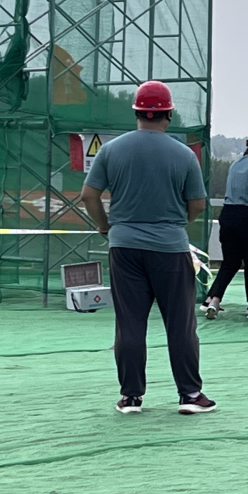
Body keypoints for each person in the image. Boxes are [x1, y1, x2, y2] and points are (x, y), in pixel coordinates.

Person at [80, 80, 214, 416]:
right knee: (180, 324)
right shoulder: (184, 154)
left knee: (130, 323)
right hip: (170, 248)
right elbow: (198, 204)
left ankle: (131, 397)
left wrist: (106, 226)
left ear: (137, 113)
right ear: (169, 114)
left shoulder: (111, 150)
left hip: (124, 247)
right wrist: (175, 223)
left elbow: (89, 196)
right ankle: (190, 394)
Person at [203, 128, 248, 320]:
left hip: (227, 214)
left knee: (231, 262)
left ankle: (213, 300)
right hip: (247, 216)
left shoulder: (235, 164)